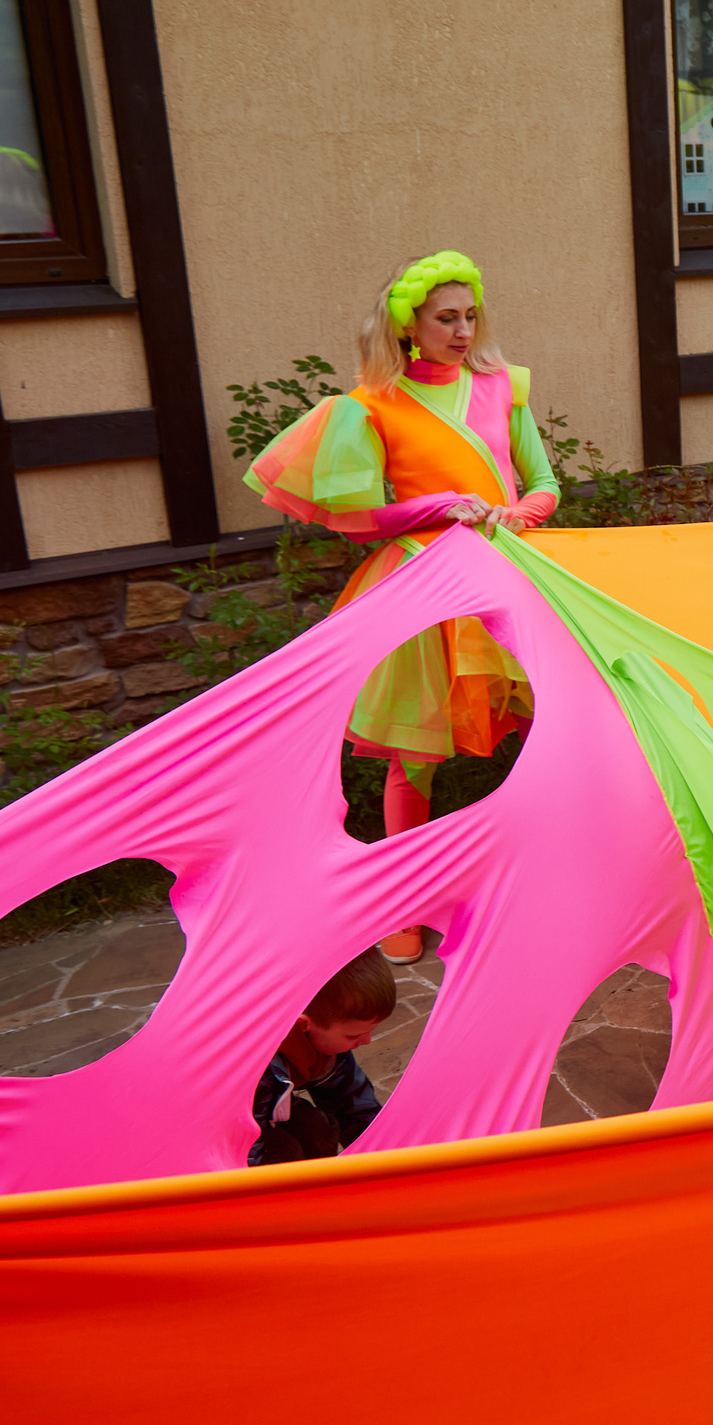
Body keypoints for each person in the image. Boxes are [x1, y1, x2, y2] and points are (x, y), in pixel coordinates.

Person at [247, 252, 561, 966]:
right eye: (445, 318)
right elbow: (359, 520)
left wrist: (520, 515)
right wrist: (440, 507)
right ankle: (404, 901)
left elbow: (543, 480)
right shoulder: (369, 407)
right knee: (412, 756)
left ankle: (552, 866)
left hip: (510, 577)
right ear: (408, 326)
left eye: (469, 315)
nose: (462, 330)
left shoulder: (501, 387)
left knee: (549, 729)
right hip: (424, 587)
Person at [249, 952, 397, 1166]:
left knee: (317, 1130)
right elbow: (245, 1143)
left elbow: (353, 1105)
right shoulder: (257, 1067)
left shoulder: (328, 1047)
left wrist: (387, 1157)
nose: (367, 1041)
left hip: (270, 1112)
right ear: (304, 1024)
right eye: (353, 1035)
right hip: (235, 1127)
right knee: (287, 1151)